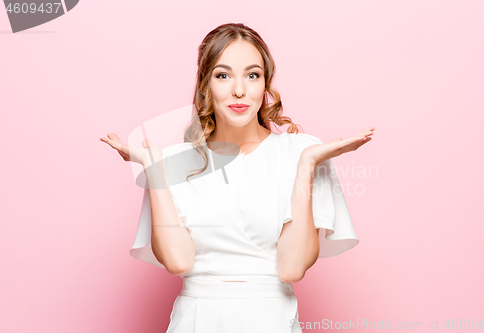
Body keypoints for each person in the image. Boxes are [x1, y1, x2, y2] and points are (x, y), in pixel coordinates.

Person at [100, 23, 374, 333]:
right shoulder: (171, 161)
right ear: (206, 85)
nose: (239, 90)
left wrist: (307, 164)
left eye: (252, 75)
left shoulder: (303, 151)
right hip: (195, 321)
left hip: (272, 321)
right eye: (223, 75)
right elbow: (178, 262)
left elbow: (291, 267)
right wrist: (155, 167)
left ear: (265, 85)